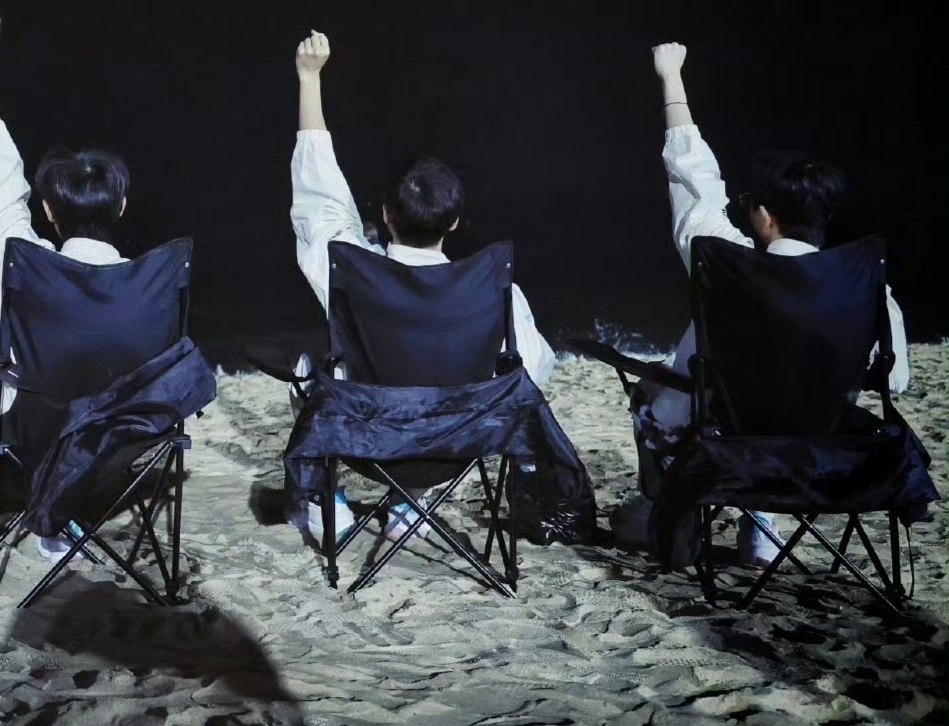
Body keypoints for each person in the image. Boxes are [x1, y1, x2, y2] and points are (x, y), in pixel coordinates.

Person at [608, 42, 910, 566]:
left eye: (750, 205)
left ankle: (664, 511)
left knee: (655, 393)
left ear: (766, 216)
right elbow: (895, 379)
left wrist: (671, 78)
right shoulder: (867, 287)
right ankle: (761, 525)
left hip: (728, 445)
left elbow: (693, 179)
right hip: (823, 452)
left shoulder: (729, 265)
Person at [288, 30, 558, 543]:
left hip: (366, 445)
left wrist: (309, 78)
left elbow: (317, 193)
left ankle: (329, 504)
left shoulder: (353, 276)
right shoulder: (494, 291)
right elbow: (533, 370)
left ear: (385, 216)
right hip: (456, 450)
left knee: (307, 370)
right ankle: (411, 504)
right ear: (454, 222)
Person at [0, 7, 133, 570]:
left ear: (48, 211)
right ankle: (57, 518)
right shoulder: (146, 282)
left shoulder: (25, 266)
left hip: (22, 436)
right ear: (121, 207)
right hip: (107, 445)